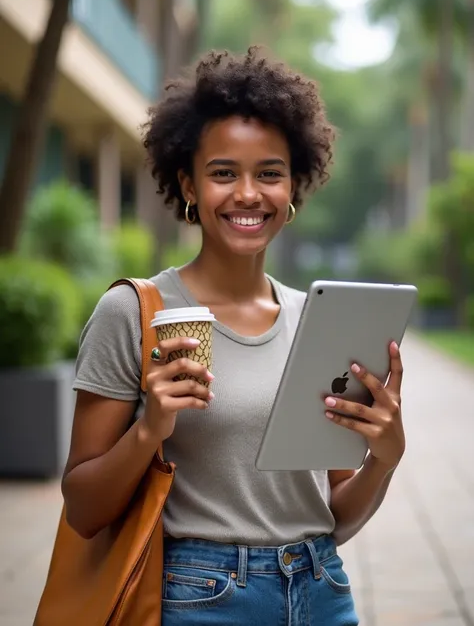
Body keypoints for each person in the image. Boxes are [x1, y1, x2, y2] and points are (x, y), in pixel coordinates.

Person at [62, 47, 406, 626]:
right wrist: (151, 427)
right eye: (224, 172)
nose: (248, 194)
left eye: (269, 173)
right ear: (188, 185)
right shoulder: (135, 312)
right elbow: (83, 509)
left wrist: (384, 460)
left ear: (293, 186)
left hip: (323, 590)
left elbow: (334, 517)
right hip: (198, 598)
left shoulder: (317, 321)